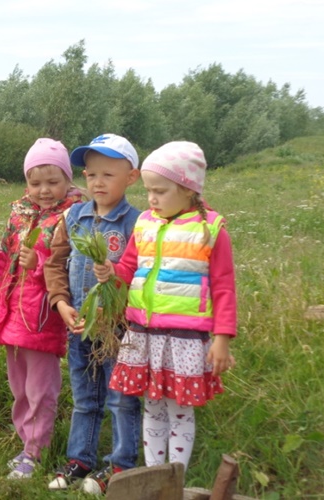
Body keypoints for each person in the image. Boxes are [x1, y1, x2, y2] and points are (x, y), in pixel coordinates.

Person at [93, 141, 237, 473]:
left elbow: (225, 287)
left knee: (180, 410)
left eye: (160, 191)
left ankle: (176, 477)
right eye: (148, 191)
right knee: (152, 407)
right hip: (142, 333)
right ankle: (155, 476)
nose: (152, 199)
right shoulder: (145, 223)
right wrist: (112, 273)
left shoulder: (209, 230)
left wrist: (222, 338)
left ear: (188, 189)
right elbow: (129, 269)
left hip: (185, 337)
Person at [43, 134, 143, 494]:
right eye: (91, 175)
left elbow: (142, 277)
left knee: (120, 398)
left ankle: (120, 465)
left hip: (118, 331)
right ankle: (80, 459)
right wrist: (61, 303)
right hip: (79, 326)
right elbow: (54, 264)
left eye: (108, 175)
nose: (98, 183)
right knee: (85, 397)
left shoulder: (137, 223)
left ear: (131, 177)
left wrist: (114, 284)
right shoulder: (73, 216)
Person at [0, 138, 85, 479]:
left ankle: (35, 451)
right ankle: (25, 442)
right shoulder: (19, 213)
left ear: (68, 180)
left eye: (53, 182)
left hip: (43, 315)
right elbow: (2, 258)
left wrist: (39, 262)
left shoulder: (74, 216)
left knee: (40, 390)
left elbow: (74, 267)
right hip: (12, 313)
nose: (43, 190)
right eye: (35, 182)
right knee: (19, 387)